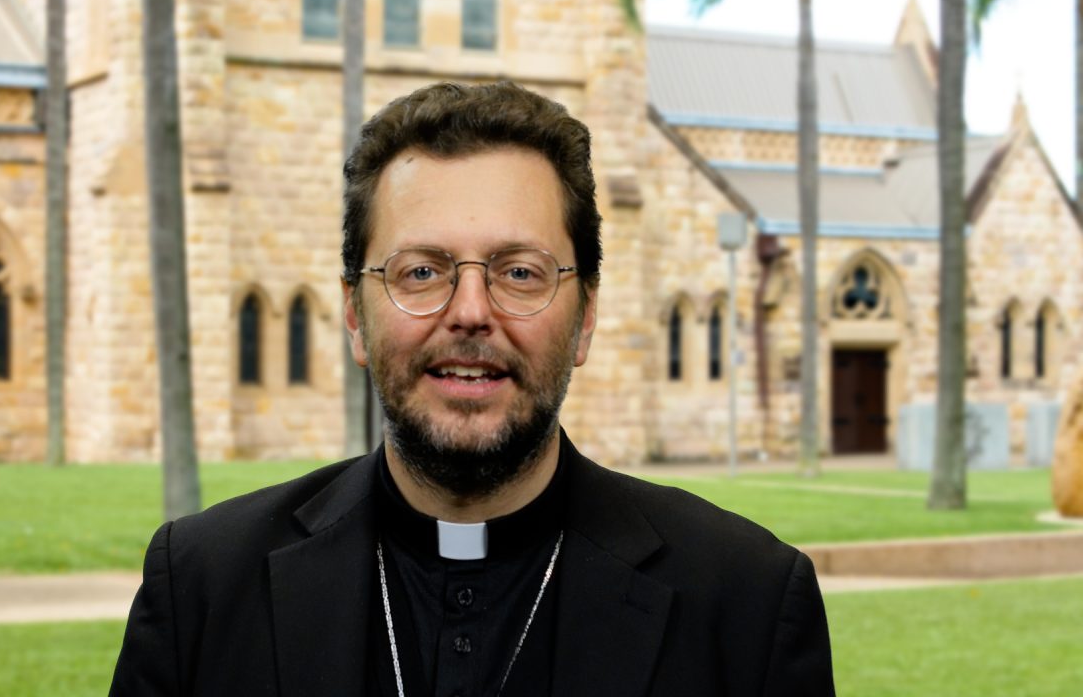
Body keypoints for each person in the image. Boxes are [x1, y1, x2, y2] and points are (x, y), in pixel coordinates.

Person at [110, 81, 836, 697]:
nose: (469, 312)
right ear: (355, 319)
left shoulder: (747, 602)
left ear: (584, 320)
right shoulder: (202, 587)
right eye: (420, 270)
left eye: (519, 271)